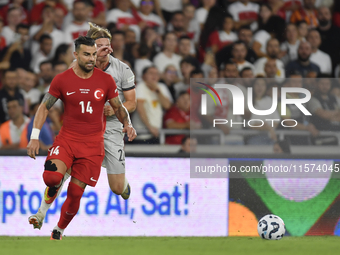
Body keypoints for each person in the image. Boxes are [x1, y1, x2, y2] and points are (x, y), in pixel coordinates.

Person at [28, 23, 137, 231]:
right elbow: (64, 90)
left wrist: (123, 120)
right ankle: (41, 215)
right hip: (75, 135)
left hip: (111, 129)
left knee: (116, 188)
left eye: (107, 46)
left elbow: (130, 103)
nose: (104, 50)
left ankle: (122, 184)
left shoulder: (121, 70)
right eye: (98, 47)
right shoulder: (76, 68)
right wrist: (34, 135)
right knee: (57, 176)